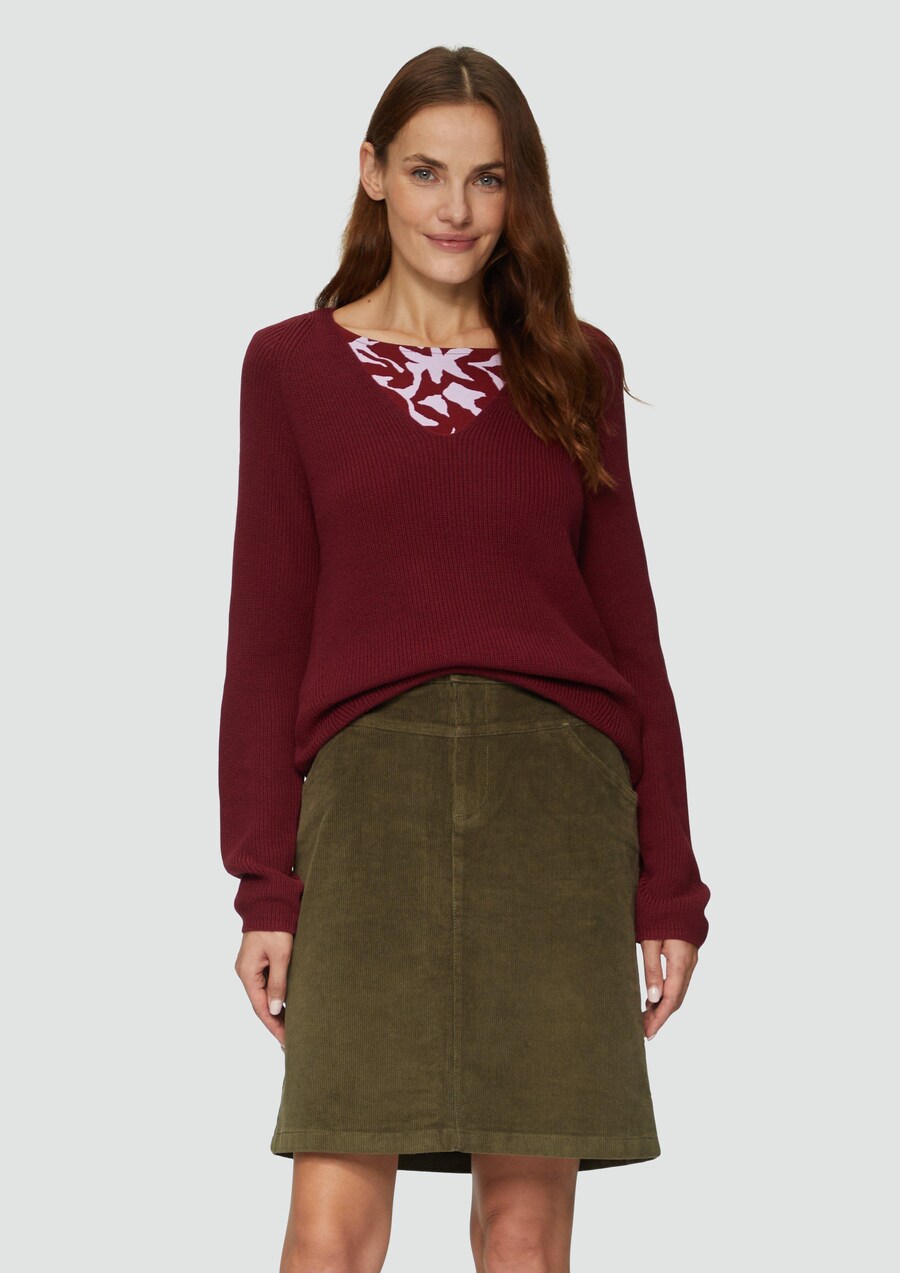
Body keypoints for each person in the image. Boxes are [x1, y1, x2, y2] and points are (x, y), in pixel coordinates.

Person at [218, 43, 711, 1273]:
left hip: (557, 808)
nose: (456, 207)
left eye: (488, 178)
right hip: (369, 810)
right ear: (373, 172)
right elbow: (266, 637)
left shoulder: (576, 366)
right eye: (427, 171)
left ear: (518, 192)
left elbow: (631, 636)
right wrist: (266, 886)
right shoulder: (291, 367)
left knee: (526, 1231)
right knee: (330, 1225)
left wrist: (670, 886)